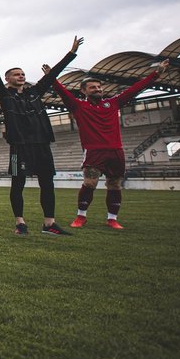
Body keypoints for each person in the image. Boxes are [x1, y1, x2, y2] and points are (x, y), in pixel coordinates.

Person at [53, 58, 169, 230]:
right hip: (94, 151)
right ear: (83, 91)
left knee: (114, 184)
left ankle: (112, 219)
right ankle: (81, 216)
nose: (98, 89)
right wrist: (52, 77)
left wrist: (156, 73)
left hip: (116, 151)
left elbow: (135, 89)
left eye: (99, 87)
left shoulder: (113, 103)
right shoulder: (78, 106)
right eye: (93, 87)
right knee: (90, 183)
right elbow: (63, 93)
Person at [0, 37, 82, 236]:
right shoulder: (5, 95)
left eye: (22, 74)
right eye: (16, 74)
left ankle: (49, 223)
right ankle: (20, 223)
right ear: (8, 79)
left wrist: (70, 54)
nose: (21, 76)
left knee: (47, 183)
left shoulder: (34, 93)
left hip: (41, 144)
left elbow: (52, 74)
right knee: (17, 183)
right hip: (18, 146)